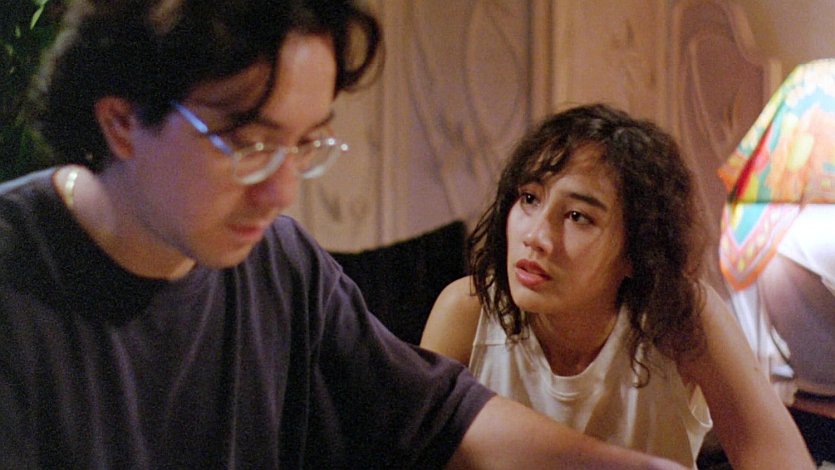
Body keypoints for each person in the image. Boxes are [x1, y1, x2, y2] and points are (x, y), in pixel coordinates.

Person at [0, 1, 689, 468]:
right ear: (121, 121)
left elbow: (442, 419)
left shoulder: (281, 264)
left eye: (304, 144)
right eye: (248, 143)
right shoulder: (17, 277)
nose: (281, 192)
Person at [421, 104, 815, 470]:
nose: (536, 236)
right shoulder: (466, 313)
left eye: (577, 216)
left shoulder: (681, 318)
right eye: (529, 198)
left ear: (636, 250)